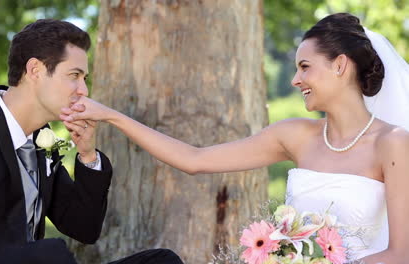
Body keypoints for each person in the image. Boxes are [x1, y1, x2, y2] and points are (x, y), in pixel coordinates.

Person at [60, 13, 409, 263]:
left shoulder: (392, 143)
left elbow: (401, 254)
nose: (295, 80)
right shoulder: (294, 135)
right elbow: (195, 160)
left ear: (340, 65)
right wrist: (110, 115)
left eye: (305, 67)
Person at [0, 19, 183, 264]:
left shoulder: (41, 140)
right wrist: (42, 258)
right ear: (35, 70)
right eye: (74, 75)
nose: (83, 91)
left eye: (84, 79)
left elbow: (84, 228)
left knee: (162, 261)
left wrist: (88, 156)